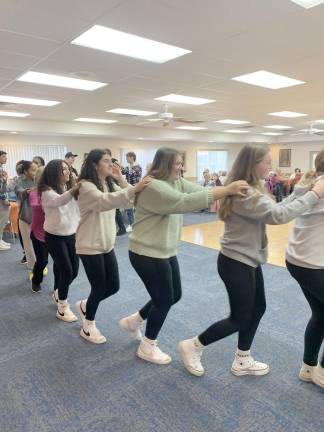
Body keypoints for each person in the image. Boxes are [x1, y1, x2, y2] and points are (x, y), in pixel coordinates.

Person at [178, 143, 324, 378]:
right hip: (236, 262)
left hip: (247, 260)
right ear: (253, 164)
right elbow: (278, 216)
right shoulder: (245, 191)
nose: (271, 165)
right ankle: (193, 345)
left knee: (258, 308)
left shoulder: (252, 187)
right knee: (239, 317)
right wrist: (315, 194)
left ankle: (242, 359)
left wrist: (303, 193)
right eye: (267, 161)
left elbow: (275, 207)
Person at [119, 147, 248, 365]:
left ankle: (135, 320)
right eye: (178, 163)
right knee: (164, 299)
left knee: (174, 295)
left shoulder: (175, 181)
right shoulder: (153, 186)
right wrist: (227, 190)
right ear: (165, 164)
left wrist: (227, 190)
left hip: (164, 250)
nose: (181, 167)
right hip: (146, 253)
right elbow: (184, 202)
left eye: (182, 163)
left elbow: (196, 192)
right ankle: (147, 346)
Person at [74, 149, 150, 343]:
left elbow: (129, 201)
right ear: (94, 165)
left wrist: (121, 179)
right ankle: (88, 325)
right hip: (89, 245)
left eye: (111, 160)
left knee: (113, 286)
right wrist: (134, 188)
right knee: (99, 287)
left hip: (106, 244)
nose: (111, 164)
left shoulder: (108, 183)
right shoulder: (85, 186)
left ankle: (85, 305)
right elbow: (104, 202)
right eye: (106, 161)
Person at [285, 151, 324, 389]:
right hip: (311, 263)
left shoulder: (309, 182)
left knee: (321, 315)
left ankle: (308, 368)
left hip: (300, 260)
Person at [38, 160, 80, 322]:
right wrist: (76, 188)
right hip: (54, 237)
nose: (67, 172)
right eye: (63, 169)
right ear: (54, 172)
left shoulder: (69, 189)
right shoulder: (46, 191)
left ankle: (57, 292)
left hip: (71, 235)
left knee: (74, 271)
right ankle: (62, 307)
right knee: (67, 271)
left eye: (68, 169)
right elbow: (59, 201)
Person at [29, 167, 59, 293]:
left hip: (54, 232)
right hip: (38, 233)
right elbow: (36, 206)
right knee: (42, 261)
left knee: (59, 263)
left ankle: (58, 289)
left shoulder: (56, 191)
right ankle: (36, 281)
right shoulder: (34, 192)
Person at [15, 161, 38, 273]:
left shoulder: (40, 180)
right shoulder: (19, 181)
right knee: (28, 244)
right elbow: (19, 192)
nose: (36, 172)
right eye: (33, 170)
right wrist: (29, 191)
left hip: (40, 217)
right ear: (25, 171)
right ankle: (32, 267)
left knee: (40, 243)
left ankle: (40, 263)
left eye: (36, 169)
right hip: (25, 217)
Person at [121, 151, 142, 232]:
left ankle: (136, 224)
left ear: (132, 157)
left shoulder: (137, 167)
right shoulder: (128, 167)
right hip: (129, 189)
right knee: (128, 207)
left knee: (136, 208)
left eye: (127, 157)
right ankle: (131, 224)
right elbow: (122, 172)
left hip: (136, 189)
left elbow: (136, 176)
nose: (126, 159)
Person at [0, 151, 11, 251]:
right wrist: (4, 199)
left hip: (2, 198)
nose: (5, 158)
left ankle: (0, 240)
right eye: (3, 156)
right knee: (2, 221)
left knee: (2, 221)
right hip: (1, 200)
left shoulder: (1, 168)